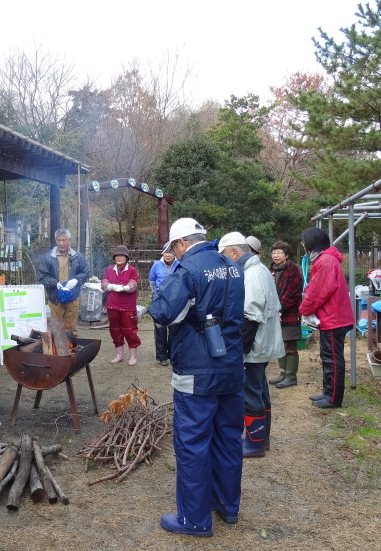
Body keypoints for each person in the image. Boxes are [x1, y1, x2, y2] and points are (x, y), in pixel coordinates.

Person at [149, 218, 245, 537]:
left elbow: (162, 312)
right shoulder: (233, 266)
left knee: (192, 444)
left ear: (180, 244)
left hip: (197, 371)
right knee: (228, 439)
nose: (174, 255)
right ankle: (227, 506)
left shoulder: (188, 270)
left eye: (173, 249)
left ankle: (194, 519)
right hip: (231, 366)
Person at [219, 232, 284, 459]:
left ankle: (255, 443)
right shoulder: (257, 270)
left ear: (234, 252)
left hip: (254, 345)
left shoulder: (252, 274)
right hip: (261, 342)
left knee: (251, 391)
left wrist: (240, 350)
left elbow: (250, 317)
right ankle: (262, 439)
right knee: (260, 388)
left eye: (225, 255)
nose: (224, 260)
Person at [299, 228, 354, 408]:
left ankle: (333, 398)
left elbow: (319, 291)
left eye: (304, 242)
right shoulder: (325, 259)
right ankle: (328, 393)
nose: (303, 245)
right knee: (328, 357)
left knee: (333, 359)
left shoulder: (325, 261)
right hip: (332, 317)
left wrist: (304, 309)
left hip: (333, 318)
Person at [38, 228, 90, 335]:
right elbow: (42, 276)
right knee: (56, 330)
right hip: (55, 299)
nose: (61, 243)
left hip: (73, 298)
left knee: (71, 330)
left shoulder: (78, 257)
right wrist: (54, 283)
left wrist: (77, 280)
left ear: (69, 241)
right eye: (58, 240)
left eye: (64, 240)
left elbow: (86, 272)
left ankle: (71, 350)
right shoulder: (48, 258)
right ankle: (57, 350)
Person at [268, 241, 304, 390]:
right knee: (279, 343)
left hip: (289, 313)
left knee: (289, 344)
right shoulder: (271, 270)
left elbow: (292, 293)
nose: (276, 255)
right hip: (275, 312)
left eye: (279, 252)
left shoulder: (293, 270)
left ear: (286, 255)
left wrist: (280, 309)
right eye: (274, 252)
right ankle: (283, 373)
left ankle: (291, 376)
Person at [101, 245, 141, 365]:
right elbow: (103, 285)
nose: (119, 257)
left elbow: (133, 284)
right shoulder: (109, 269)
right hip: (112, 306)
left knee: (130, 330)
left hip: (127, 306)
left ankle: (133, 356)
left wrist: (125, 288)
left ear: (126, 257)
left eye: (121, 255)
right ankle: (119, 355)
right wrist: (112, 286)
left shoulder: (132, 270)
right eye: (117, 255)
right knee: (115, 330)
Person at [149, 250, 179, 366]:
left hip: (175, 300)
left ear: (174, 254)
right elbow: (152, 280)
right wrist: (157, 293)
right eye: (165, 253)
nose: (168, 255)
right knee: (160, 328)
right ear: (162, 254)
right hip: (159, 300)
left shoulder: (179, 264)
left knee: (174, 328)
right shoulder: (156, 265)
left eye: (171, 252)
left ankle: (172, 355)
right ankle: (162, 356)